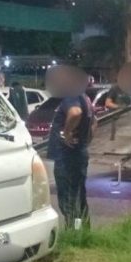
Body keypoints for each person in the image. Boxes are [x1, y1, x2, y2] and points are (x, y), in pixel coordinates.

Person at [46, 65, 93, 227]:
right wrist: (85, 141)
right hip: (78, 153)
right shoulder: (85, 98)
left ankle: (74, 232)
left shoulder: (71, 96)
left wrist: (66, 133)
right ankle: (82, 231)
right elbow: (95, 122)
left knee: (68, 198)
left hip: (67, 157)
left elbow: (75, 113)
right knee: (79, 197)